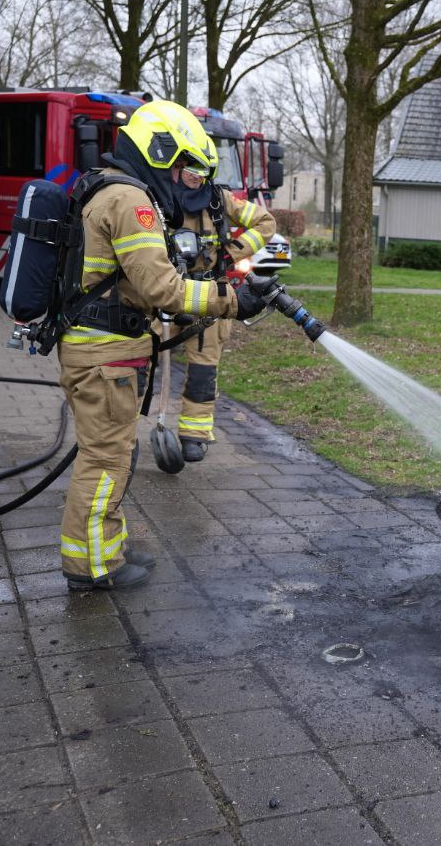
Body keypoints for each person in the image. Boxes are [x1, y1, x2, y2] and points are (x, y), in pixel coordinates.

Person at [57, 101, 269, 591]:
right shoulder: (130, 200)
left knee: (109, 454)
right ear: (160, 153)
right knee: (106, 460)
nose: (185, 180)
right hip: (105, 354)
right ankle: (92, 568)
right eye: (182, 167)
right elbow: (164, 289)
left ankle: (105, 550)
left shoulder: (108, 186)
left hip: (102, 347)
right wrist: (231, 299)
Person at [164, 136, 276, 463]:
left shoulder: (219, 200)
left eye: (202, 169)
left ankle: (193, 436)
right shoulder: (155, 197)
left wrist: (231, 252)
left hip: (209, 297)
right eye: (189, 168)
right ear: (177, 166)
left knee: (203, 371)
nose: (195, 175)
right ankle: (125, 434)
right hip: (163, 293)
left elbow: (265, 222)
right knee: (140, 362)